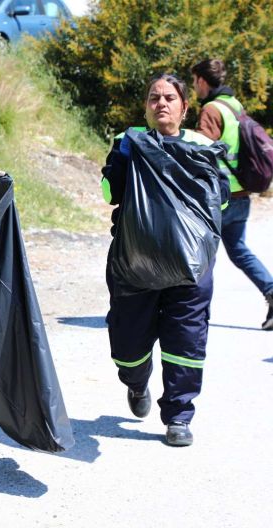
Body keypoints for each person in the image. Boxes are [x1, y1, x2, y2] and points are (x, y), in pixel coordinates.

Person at [100, 73, 229, 447]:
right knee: (127, 345)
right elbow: (110, 191)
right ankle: (136, 382)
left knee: (186, 338)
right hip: (135, 260)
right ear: (146, 107)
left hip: (190, 264)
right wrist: (125, 163)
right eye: (154, 98)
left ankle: (179, 416)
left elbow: (219, 201)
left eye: (170, 98)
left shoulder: (201, 146)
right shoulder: (129, 142)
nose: (162, 104)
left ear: (185, 107)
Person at [191, 58, 273, 331]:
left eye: (194, 82)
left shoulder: (211, 110)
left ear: (202, 81)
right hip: (241, 195)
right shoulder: (234, 105)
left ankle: (197, 313)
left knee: (204, 255)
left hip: (219, 197)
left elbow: (200, 151)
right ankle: (272, 291)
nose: (194, 87)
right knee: (239, 251)